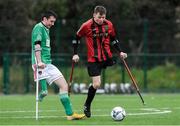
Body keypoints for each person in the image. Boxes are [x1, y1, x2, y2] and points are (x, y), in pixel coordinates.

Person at [72, 5, 127, 118]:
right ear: (94, 15)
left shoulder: (109, 24)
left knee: (114, 61)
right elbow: (76, 38)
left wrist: (120, 52)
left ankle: (110, 63)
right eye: (99, 17)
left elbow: (113, 39)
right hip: (94, 59)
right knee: (97, 84)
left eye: (103, 17)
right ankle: (87, 105)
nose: (101, 20)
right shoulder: (86, 26)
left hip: (107, 58)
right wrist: (75, 53)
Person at [31, 10, 85, 120]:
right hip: (40, 63)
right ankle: (42, 93)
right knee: (45, 92)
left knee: (64, 86)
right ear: (44, 19)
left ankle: (70, 115)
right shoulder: (38, 28)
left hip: (48, 64)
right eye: (51, 21)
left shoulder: (46, 29)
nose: (53, 24)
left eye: (54, 21)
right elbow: (36, 45)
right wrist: (39, 61)